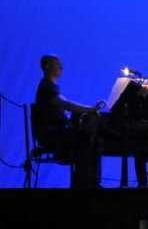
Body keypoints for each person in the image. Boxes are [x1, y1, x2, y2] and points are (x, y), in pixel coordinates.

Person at [34, 54, 105, 188]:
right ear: (47, 66)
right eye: (57, 64)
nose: (61, 67)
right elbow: (65, 104)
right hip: (52, 134)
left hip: (56, 131)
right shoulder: (46, 87)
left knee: (95, 140)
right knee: (87, 139)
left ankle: (91, 182)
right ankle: (83, 185)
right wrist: (91, 109)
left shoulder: (49, 86)